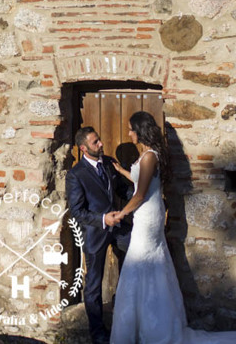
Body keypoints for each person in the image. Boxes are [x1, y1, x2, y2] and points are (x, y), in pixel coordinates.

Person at [105, 111, 236, 344]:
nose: (129, 132)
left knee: (141, 261)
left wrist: (121, 213)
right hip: (145, 215)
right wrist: (121, 171)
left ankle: (151, 327)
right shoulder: (146, 156)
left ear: (140, 130)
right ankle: (142, 324)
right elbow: (141, 182)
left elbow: (140, 194)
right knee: (143, 265)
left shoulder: (150, 156)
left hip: (148, 218)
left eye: (131, 128)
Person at [65, 126, 132, 344]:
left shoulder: (110, 162)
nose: (101, 144)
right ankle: (98, 332)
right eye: (96, 142)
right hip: (95, 232)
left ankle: (127, 318)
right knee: (93, 283)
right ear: (84, 148)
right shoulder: (76, 174)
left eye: (100, 140)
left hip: (120, 228)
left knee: (135, 268)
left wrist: (142, 196)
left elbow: (123, 190)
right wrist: (104, 219)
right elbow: (77, 212)